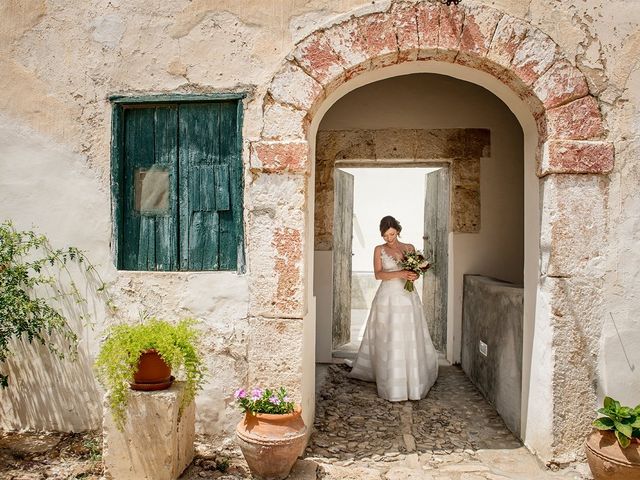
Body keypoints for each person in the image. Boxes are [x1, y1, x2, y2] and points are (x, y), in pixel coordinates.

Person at [349, 215, 439, 401]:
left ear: (397, 230)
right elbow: (378, 274)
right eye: (385, 236)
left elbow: (416, 272)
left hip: (408, 297)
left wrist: (414, 276)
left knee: (409, 333)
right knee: (390, 335)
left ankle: (413, 378)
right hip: (387, 298)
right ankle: (391, 380)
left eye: (391, 234)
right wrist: (400, 272)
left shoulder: (409, 248)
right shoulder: (378, 250)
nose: (389, 239)